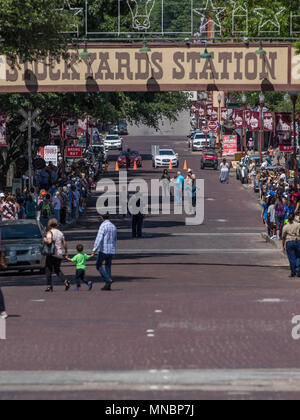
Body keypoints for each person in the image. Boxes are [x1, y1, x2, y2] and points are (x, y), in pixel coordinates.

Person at [44, 218, 70, 293]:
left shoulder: (49, 232)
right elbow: (64, 243)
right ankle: (65, 281)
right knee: (57, 270)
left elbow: (49, 241)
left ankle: (49, 286)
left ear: (49, 225)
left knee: (48, 269)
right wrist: (66, 252)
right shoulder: (60, 233)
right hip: (59, 253)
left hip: (51, 253)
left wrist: (44, 239)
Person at [92, 213, 117, 291]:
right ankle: (108, 285)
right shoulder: (113, 226)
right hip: (111, 249)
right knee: (108, 266)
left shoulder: (103, 226)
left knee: (98, 265)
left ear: (102, 218)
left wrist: (94, 249)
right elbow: (115, 238)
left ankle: (108, 279)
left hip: (104, 249)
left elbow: (99, 238)